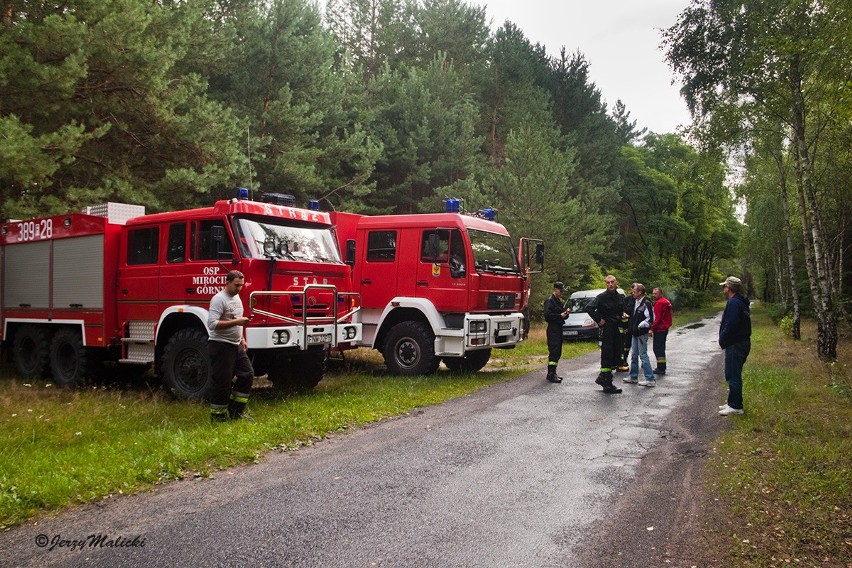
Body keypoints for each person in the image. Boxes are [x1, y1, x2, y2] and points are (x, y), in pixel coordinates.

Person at [207, 270, 255, 423]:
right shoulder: (219, 299)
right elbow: (212, 324)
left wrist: (241, 338)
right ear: (227, 283)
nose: (239, 288)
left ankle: (236, 412)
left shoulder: (237, 297)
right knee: (223, 382)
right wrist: (237, 323)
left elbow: (236, 318)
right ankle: (217, 416)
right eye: (236, 285)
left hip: (235, 345)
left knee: (247, 374)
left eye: (241, 285)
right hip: (221, 346)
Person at [718, 276, 751, 416]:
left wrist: (722, 338)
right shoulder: (740, 302)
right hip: (741, 342)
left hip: (736, 344)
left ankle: (736, 406)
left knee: (733, 374)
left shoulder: (733, 303)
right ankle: (732, 402)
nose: (723, 288)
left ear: (729, 288)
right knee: (733, 373)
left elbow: (731, 324)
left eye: (725, 286)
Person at [586, 275, 623, 394]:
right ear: (605, 284)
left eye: (612, 282)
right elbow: (589, 308)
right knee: (607, 355)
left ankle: (603, 378)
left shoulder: (620, 296)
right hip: (607, 328)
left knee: (616, 354)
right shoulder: (601, 297)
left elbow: (624, 309)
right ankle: (607, 383)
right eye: (608, 283)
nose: (610, 284)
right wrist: (599, 320)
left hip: (617, 328)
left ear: (616, 282)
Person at [623, 283, 655, 386]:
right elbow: (633, 315)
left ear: (640, 292)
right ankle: (633, 377)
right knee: (634, 355)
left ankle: (650, 379)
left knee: (643, 355)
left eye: (635, 291)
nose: (633, 293)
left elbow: (650, 319)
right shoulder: (635, 302)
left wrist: (641, 325)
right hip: (634, 333)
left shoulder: (646, 303)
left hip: (641, 333)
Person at [543, 281, 571, 383]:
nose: (561, 293)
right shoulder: (549, 301)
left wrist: (566, 313)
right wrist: (559, 316)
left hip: (559, 328)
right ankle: (550, 374)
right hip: (552, 329)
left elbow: (562, 314)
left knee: (558, 351)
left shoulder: (558, 301)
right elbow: (547, 315)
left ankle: (553, 372)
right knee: (554, 351)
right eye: (560, 291)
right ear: (555, 290)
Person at [650, 287, 672, 375]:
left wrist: (652, 328)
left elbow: (657, 318)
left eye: (655, 293)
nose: (654, 295)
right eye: (653, 293)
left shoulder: (659, 303)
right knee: (661, 348)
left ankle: (661, 368)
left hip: (660, 328)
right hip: (664, 328)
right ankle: (661, 366)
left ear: (660, 294)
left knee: (658, 348)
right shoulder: (666, 302)